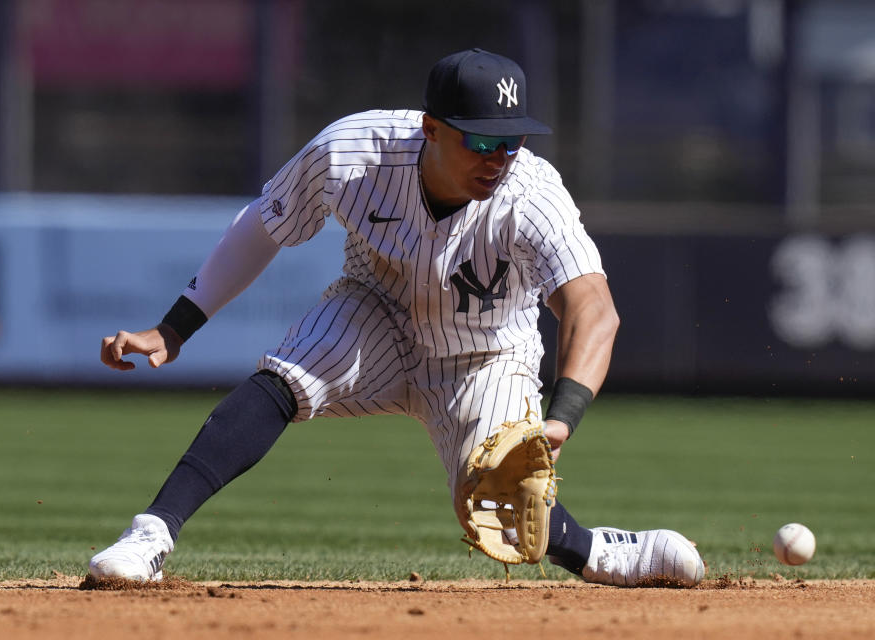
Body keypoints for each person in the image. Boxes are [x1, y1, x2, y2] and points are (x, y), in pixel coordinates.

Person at [89, 48, 705, 587]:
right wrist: (173, 329)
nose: (500, 157)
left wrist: (563, 415)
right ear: (431, 128)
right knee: (288, 376)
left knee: (500, 509)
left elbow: (594, 308)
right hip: (375, 311)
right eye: (482, 140)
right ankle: (148, 536)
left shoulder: (530, 194)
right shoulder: (353, 153)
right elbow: (263, 226)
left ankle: (600, 551)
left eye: (513, 141)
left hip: (486, 352)